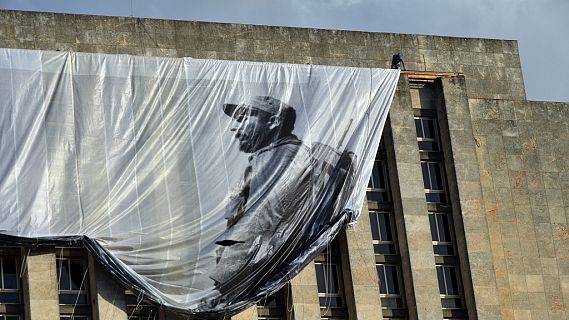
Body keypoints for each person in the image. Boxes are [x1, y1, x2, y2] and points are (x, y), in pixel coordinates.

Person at [208, 96, 313, 305]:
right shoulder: (266, 156)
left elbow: (263, 216)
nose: (236, 129)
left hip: (259, 264)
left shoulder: (284, 156)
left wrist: (222, 280)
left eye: (245, 118)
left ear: (273, 122)